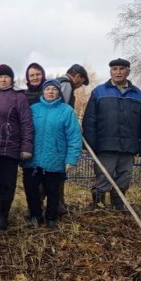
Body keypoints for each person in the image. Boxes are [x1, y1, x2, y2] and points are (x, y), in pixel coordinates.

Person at [83, 58, 141, 210]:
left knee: (124, 177)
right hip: (105, 145)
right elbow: (89, 120)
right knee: (104, 176)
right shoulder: (99, 92)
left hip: (128, 146)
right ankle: (98, 205)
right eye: (115, 69)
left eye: (122, 68)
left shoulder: (138, 95)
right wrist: (90, 144)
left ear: (128, 71)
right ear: (110, 72)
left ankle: (118, 205)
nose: (118, 72)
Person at [22, 79, 82, 229]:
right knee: (31, 191)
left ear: (58, 92)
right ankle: (35, 216)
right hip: (32, 160)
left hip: (55, 159)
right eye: (47, 89)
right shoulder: (33, 109)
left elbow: (74, 136)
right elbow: (25, 131)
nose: (50, 92)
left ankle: (51, 218)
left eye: (54, 89)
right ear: (43, 91)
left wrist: (71, 159)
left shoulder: (66, 110)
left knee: (53, 191)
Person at [0, 64, 34, 231]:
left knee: (6, 184)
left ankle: (3, 216)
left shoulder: (18, 97)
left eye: (6, 76)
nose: (3, 79)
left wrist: (26, 146)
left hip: (10, 149)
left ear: (12, 79)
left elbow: (26, 123)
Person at [53, 63, 88, 216]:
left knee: (57, 172)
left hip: (54, 134)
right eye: (81, 82)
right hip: (58, 136)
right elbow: (64, 110)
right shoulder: (66, 85)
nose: (79, 86)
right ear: (76, 75)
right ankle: (57, 204)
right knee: (57, 171)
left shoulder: (56, 82)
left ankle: (59, 203)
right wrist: (74, 125)